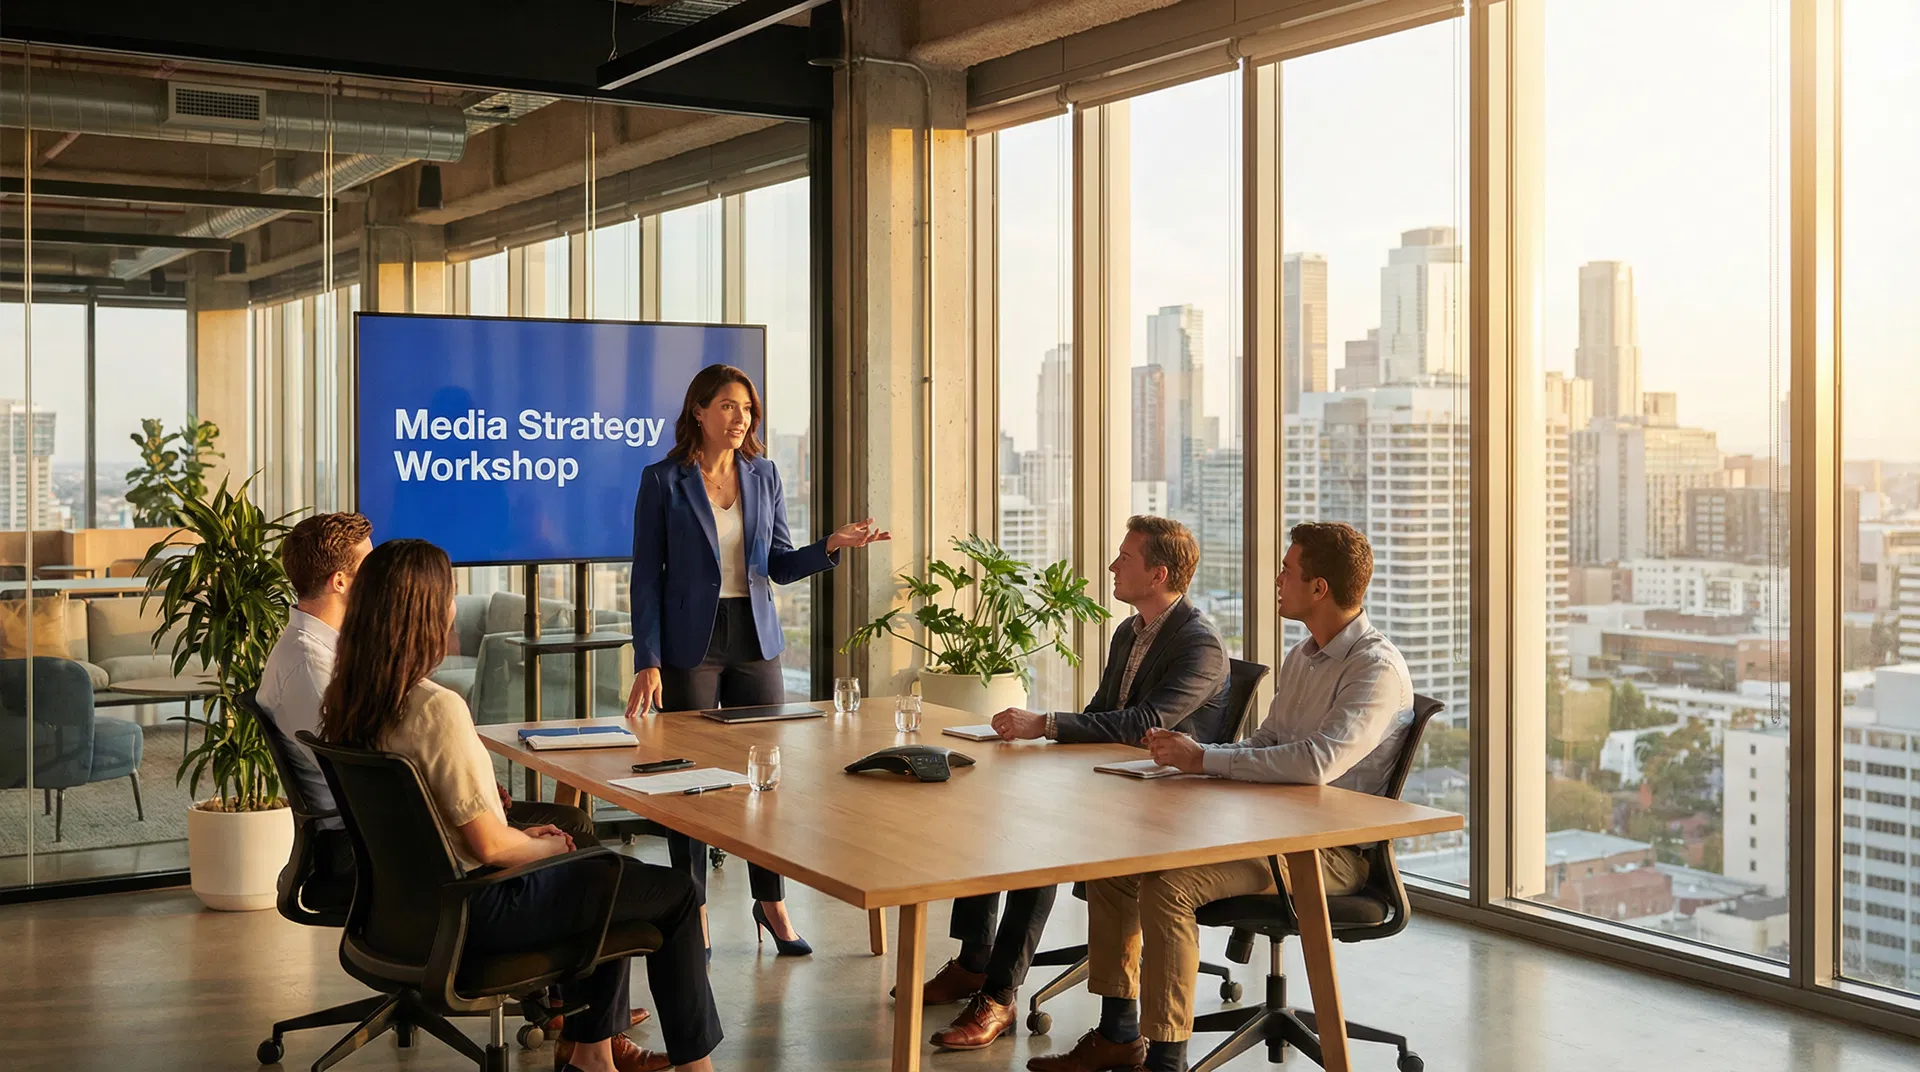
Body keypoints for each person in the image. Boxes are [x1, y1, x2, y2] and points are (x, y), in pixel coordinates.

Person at [320, 540, 722, 1072]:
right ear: (424, 613)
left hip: (408, 913)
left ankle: (592, 1058)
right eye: (449, 597)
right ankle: (695, 1068)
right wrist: (546, 847)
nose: (452, 609)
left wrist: (522, 836)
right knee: (672, 892)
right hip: (478, 910)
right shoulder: (437, 708)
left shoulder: (352, 701)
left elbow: (432, 821)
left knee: (604, 874)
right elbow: (488, 846)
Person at [258, 514, 647, 1065]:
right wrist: (458, 791)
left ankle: (575, 1014)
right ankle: (586, 1029)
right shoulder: (315, 667)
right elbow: (363, 766)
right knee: (579, 843)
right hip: (364, 842)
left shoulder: (319, 650)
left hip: (370, 823)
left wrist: (461, 779)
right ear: (342, 581)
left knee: (572, 824)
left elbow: (382, 754)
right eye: (370, 563)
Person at [1031, 522, 1413, 1072]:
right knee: (1116, 867)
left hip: (1328, 853)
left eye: (1287, 570)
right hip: (1269, 828)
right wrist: (1196, 760)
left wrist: (1205, 760)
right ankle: (1118, 1035)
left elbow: (1317, 763)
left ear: (1319, 588)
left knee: (1170, 885)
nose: (1277, 579)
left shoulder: (1374, 668)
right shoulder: (1303, 656)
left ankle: (1166, 1060)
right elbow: (1267, 741)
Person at [916, 516, 1230, 1051]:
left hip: (1165, 801)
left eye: (1125, 558)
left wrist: (1046, 724)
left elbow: (1142, 724)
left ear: (1158, 575)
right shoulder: (1129, 632)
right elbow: (1102, 712)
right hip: (1114, 782)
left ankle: (999, 996)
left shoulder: (1200, 645)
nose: (1112, 566)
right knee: (994, 811)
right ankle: (974, 961)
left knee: (1039, 843)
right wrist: (1043, 738)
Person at [625, 363, 888, 956]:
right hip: (689, 645)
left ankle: (770, 903)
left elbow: (778, 563)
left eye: (747, 408)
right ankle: (691, 908)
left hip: (755, 639)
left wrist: (830, 546)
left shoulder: (763, 474)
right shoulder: (663, 480)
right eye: (727, 406)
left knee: (763, 779)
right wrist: (648, 658)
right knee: (688, 781)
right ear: (699, 411)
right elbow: (647, 577)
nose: (740, 418)